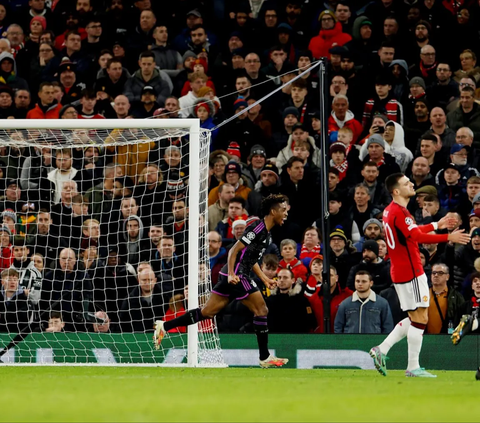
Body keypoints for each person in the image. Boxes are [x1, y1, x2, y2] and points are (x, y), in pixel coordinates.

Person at [153, 194, 290, 368]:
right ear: (273, 211)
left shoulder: (267, 235)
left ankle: (164, 326)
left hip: (233, 274)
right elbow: (233, 250)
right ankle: (265, 357)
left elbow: (250, 258)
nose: (286, 213)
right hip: (237, 275)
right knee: (262, 309)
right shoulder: (257, 228)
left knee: (207, 312)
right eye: (283, 210)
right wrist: (233, 273)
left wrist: (264, 278)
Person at [369, 173, 470, 378]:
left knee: (415, 317)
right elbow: (415, 236)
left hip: (400, 271)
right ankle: (412, 367)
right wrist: (447, 236)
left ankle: (382, 349)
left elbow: (410, 231)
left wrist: (435, 225)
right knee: (421, 318)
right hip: (411, 271)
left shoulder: (390, 211)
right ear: (396, 191)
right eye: (407, 183)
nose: (412, 184)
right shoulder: (401, 212)